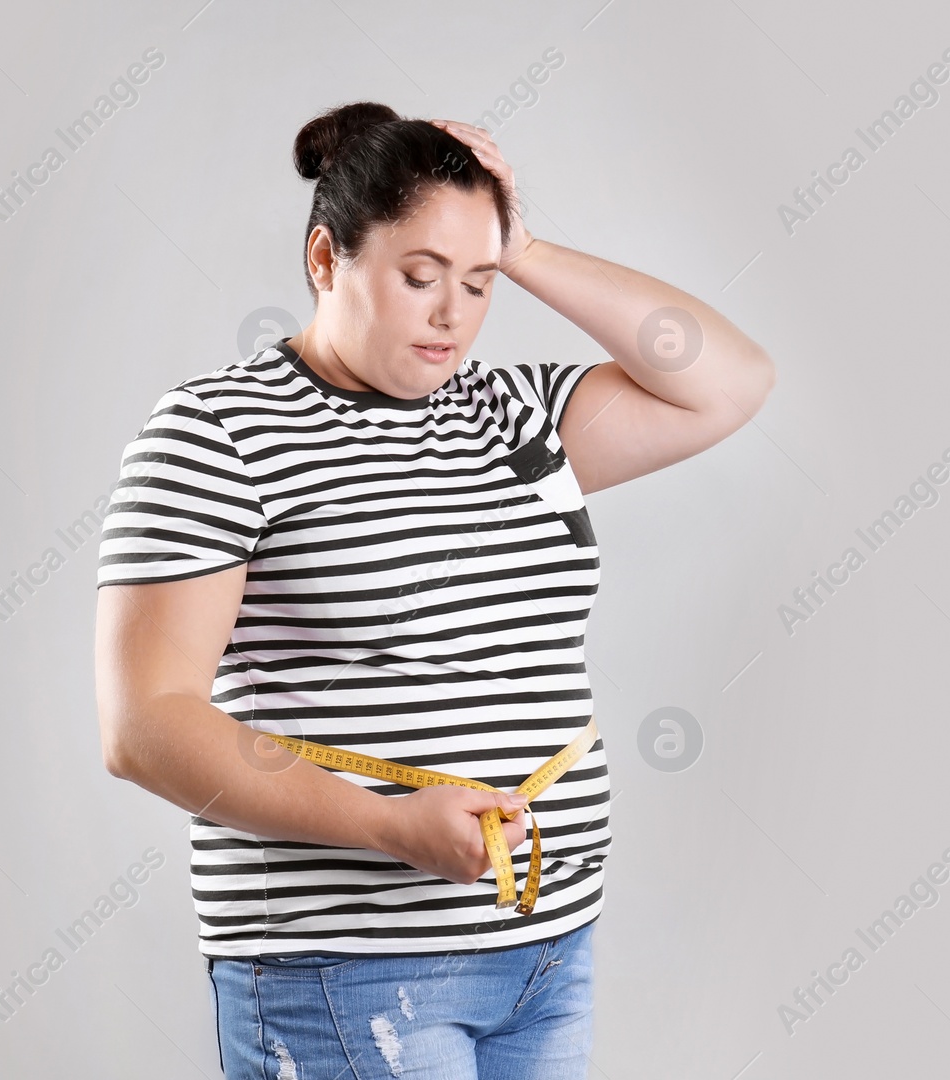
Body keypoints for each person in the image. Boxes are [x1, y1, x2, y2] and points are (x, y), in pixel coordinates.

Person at [92, 100, 775, 1078]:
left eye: (480, 284)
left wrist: (525, 247)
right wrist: (387, 823)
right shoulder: (219, 433)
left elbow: (730, 381)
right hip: (346, 968)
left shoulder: (518, 418)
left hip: (546, 949)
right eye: (420, 277)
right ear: (326, 261)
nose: (453, 314)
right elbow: (144, 725)